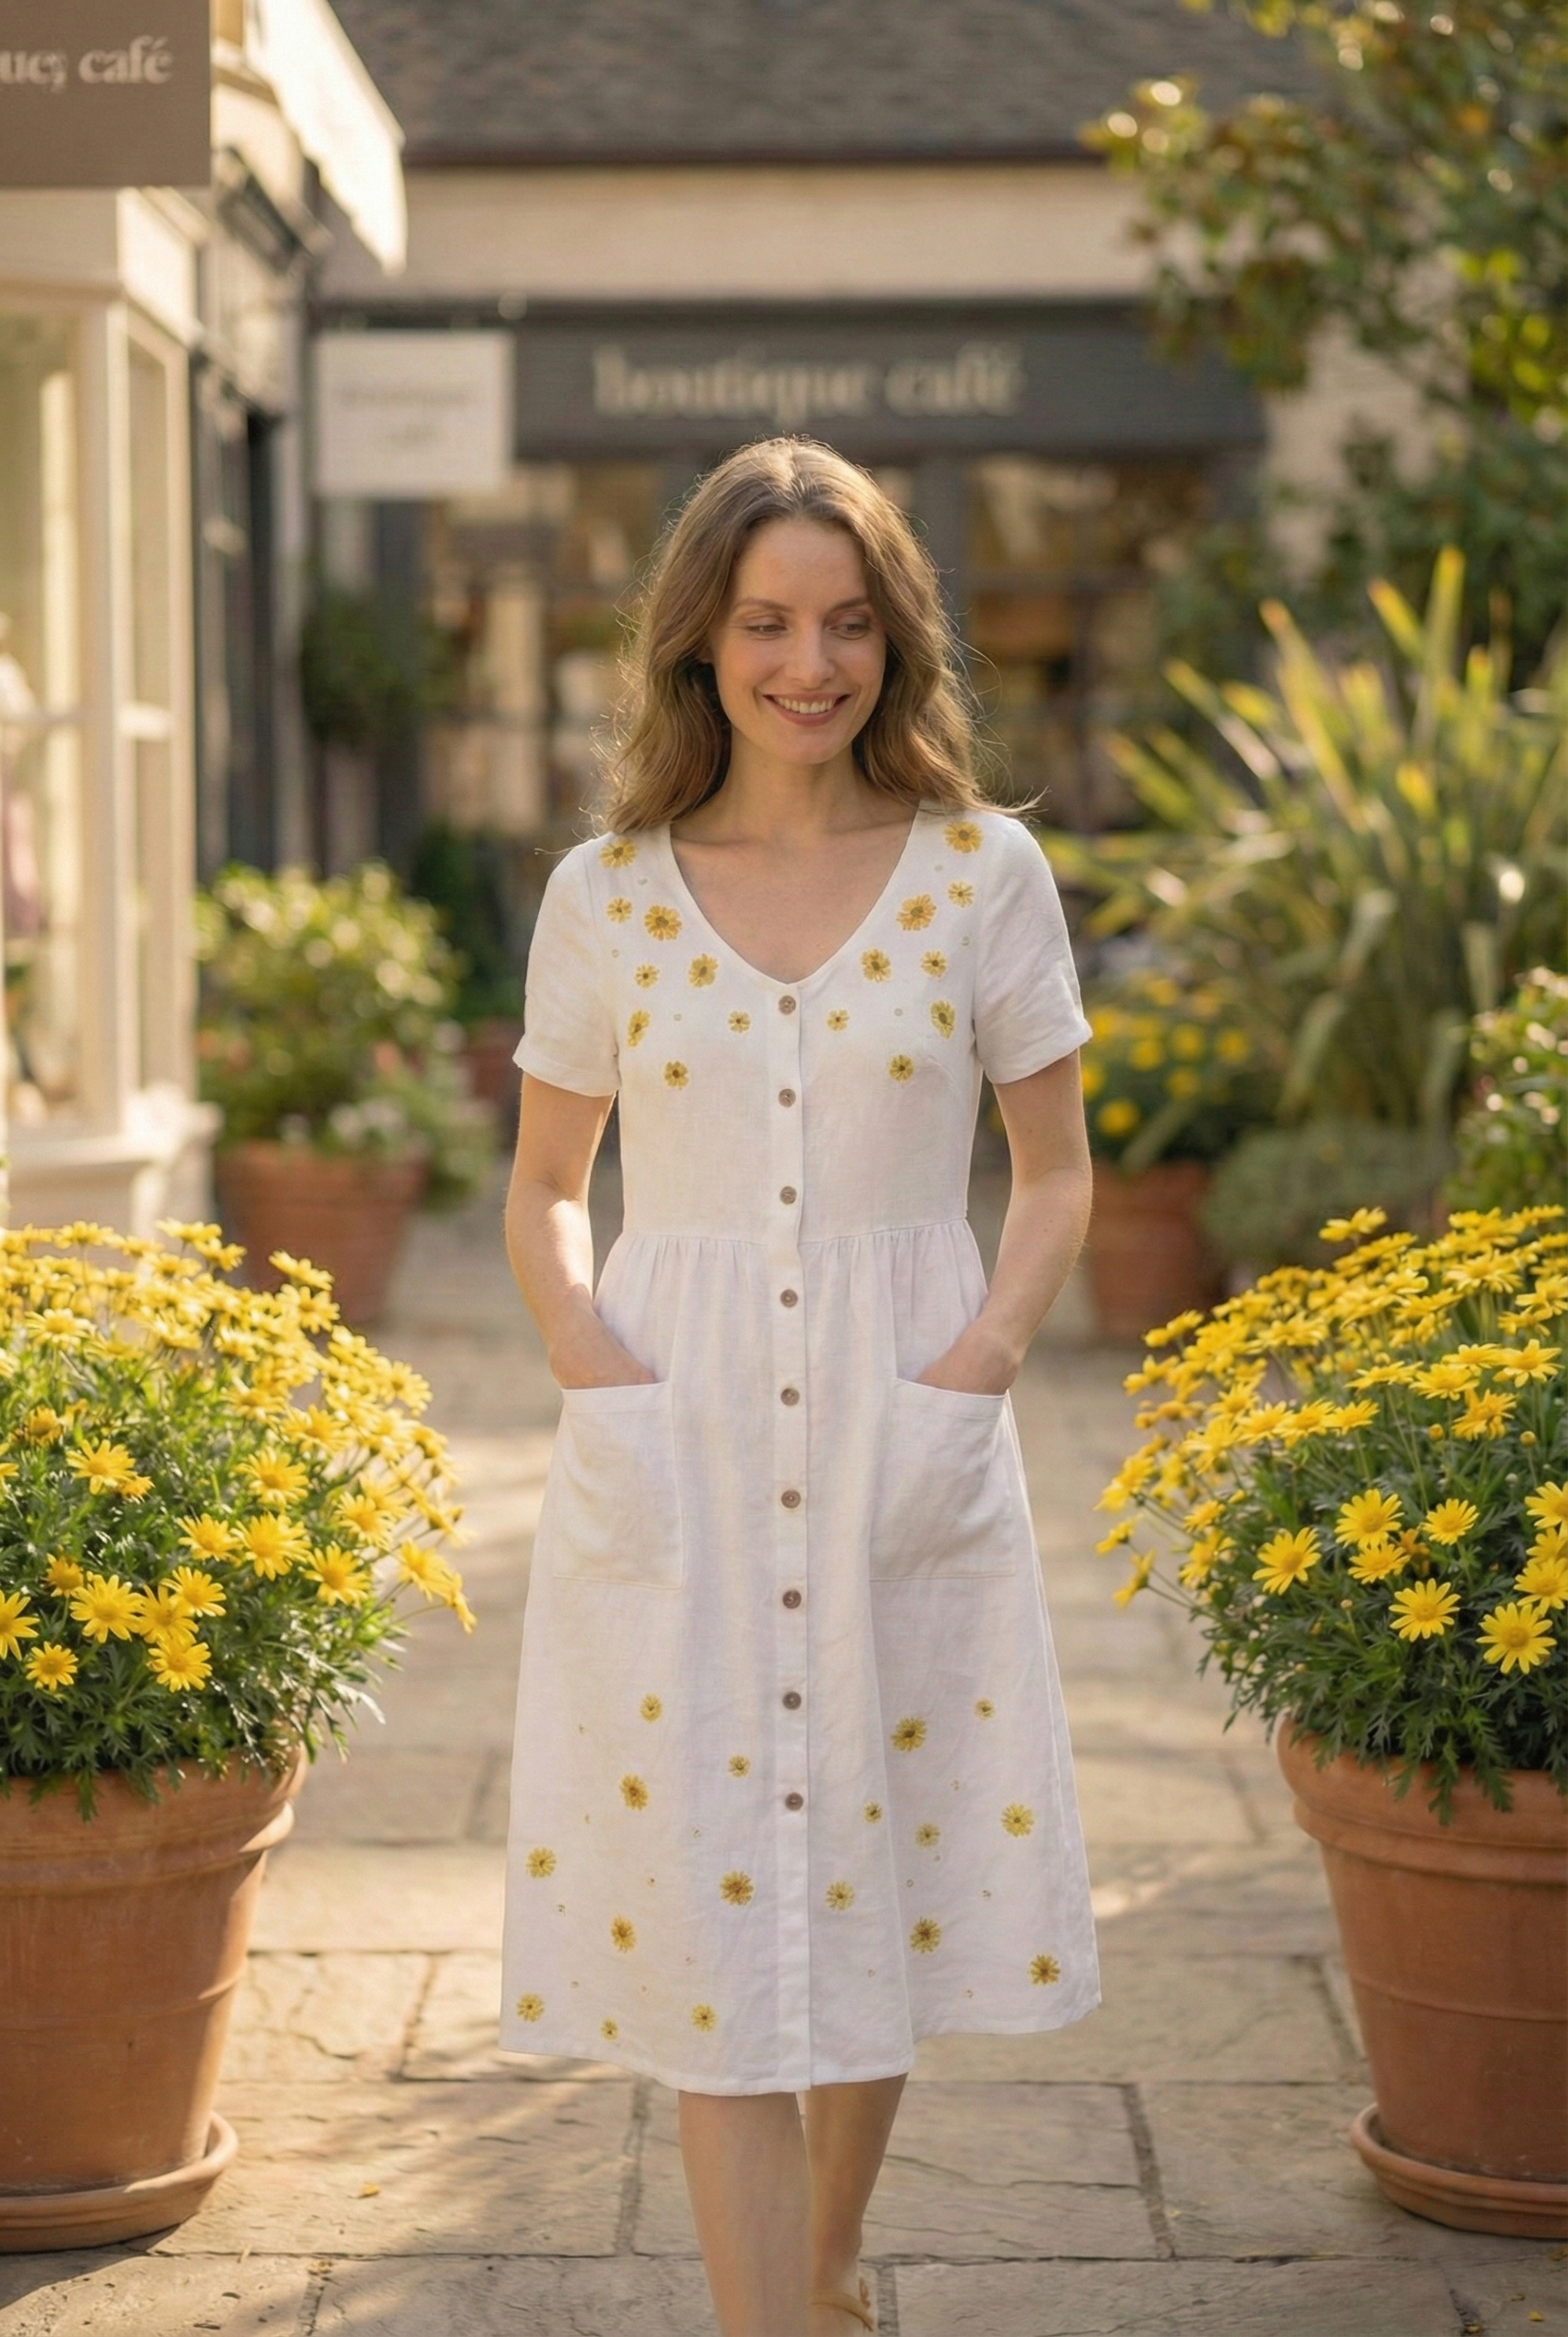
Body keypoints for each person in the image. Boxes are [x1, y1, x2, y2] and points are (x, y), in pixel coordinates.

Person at [502, 437, 1097, 2337]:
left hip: (900, 1411)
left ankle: (828, 2262)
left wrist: (974, 1366)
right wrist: (594, 1371)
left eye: (845, 622)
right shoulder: (603, 892)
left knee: (879, 1863)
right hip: (674, 1415)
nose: (806, 663)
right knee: (709, 1895)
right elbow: (540, 1187)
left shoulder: (980, 873)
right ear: (701, 641)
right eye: (765, 621)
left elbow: (1059, 1166)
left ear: (894, 641)